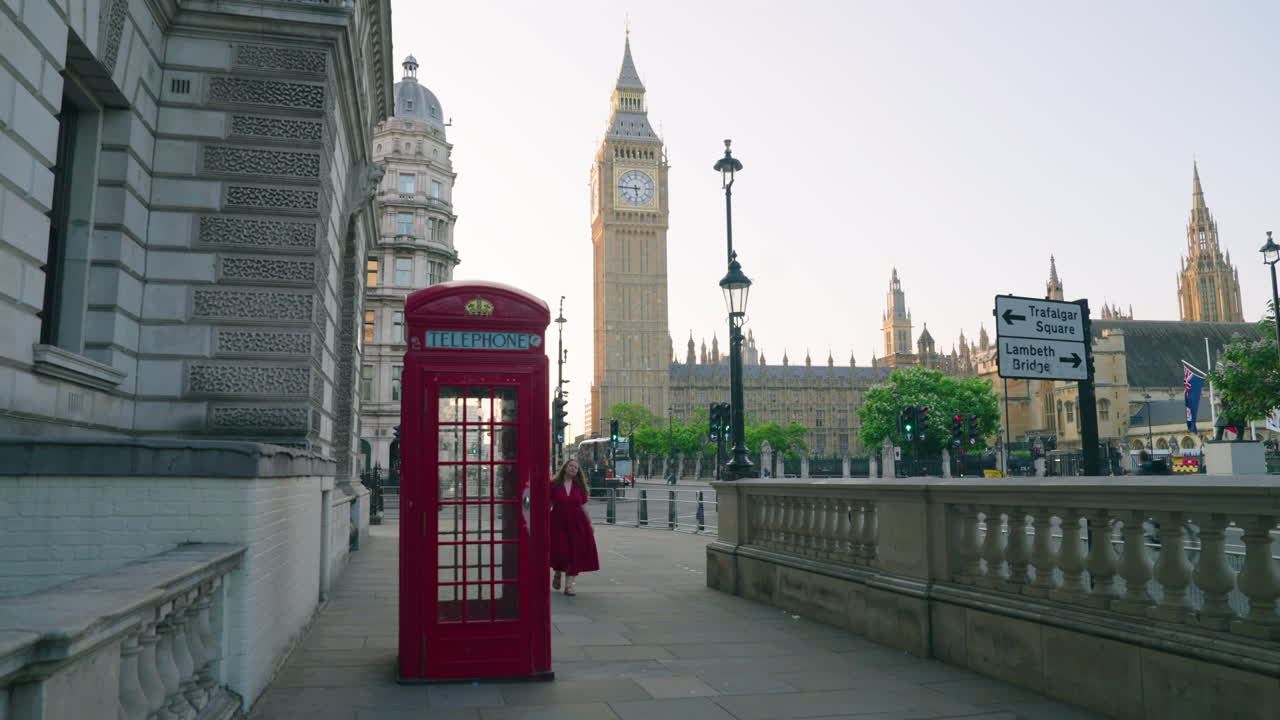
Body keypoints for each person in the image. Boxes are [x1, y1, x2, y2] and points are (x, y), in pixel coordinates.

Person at [549, 458, 599, 596]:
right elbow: (548, 504)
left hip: (577, 523)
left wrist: (590, 524)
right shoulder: (553, 485)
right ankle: (558, 572)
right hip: (558, 522)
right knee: (560, 551)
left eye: (576, 468)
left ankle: (569, 586)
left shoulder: (580, 487)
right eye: (571, 466)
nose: (573, 469)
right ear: (565, 468)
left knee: (574, 553)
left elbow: (584, 506)